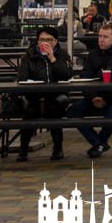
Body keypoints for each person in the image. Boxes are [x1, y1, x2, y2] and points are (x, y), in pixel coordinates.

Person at [67, 23, 112, 158]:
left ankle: (100, 142)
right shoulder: (93, 54)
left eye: (105, 37)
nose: (101, 40)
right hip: (95, 96)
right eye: (99, 36)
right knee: (72, 111)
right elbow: (84, 78)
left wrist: (106, 99)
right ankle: (98, 142)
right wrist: (93, 97)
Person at [15, 26, 73, 161]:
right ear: (37, 41)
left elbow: (66, 76)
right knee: (29, 113)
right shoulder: (29, 56)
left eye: (48, 40)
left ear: (55, 41)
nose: (44, 43)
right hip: (34, 96)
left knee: (54, 111)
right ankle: (23, 150)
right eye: (41, 40)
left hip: (56, 96)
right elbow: (22, 78)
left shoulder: (62, 55)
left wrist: (52, 58)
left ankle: (58, 148)